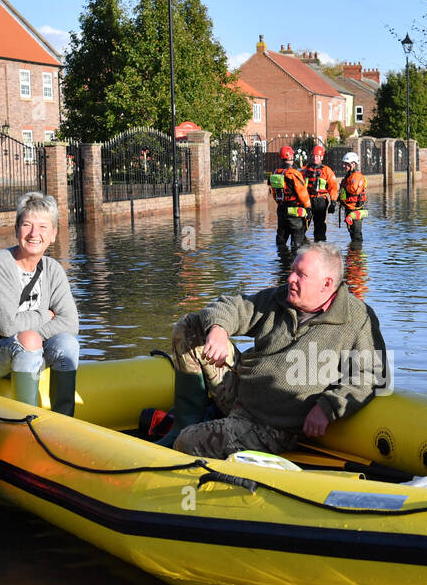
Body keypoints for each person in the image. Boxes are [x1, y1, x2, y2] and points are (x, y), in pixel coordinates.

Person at [158, 242, 389, 458]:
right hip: (241, 393)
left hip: (273, 427)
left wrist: (328, 407)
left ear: (327, 284)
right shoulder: (280, 298)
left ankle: (188, 436)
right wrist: (218, 329)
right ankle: (186, 420)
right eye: (292, 271)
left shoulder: (357, 318)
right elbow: (234, 306)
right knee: (191, 326)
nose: (291, 279)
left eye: (301, 274)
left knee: (186, 442)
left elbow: (372, 375)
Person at [0, 192, 79, 416]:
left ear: (53, 234)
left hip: (33, 351)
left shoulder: (52, 268)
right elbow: (6, 326)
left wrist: (33, 336)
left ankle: (65, 420)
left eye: (43, 227)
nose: (35, 233)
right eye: (27, 225)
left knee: (67, 343)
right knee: (30, 339)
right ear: (16, 230)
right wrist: (46, 314)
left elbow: (71, 324)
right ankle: (27, 421)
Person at [268, 145, 312, 253]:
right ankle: (295, 264)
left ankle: (283, 263)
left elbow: (274, 193)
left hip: (281, 210)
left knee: (281, 238)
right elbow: (302, 193)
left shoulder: (275, 173)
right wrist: (308, 208)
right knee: (297, 239)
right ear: (291, 156)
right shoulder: (293, 173)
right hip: (294, 211)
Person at [302, 143, 339, 242]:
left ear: (321, 157)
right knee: (302, 227)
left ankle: (320, 247)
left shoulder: (327, 171)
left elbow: (333, 187)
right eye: (313, 156)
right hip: (307, 201)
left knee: (320, 227)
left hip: (321, 201)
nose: (315, 158)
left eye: (317, 156)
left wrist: (333, 202)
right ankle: (302, 250)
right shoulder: (304, 170)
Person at [338, 151, 368, 243]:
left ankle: (357, 254)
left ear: (353, 164)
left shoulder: (357, 176)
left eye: (347, 164)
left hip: (355, 210)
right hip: (349, 209)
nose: (344, 166)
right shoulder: (348, 177)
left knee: (356, 235)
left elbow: (354, 190)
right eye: (344, 164)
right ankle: (353, 255)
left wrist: (345, 187)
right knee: (352, 233)